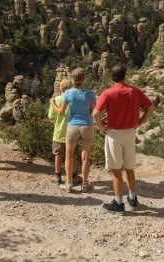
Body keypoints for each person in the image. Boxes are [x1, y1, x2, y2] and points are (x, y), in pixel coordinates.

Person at [92, 64, 155, 213]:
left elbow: (95, 113)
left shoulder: (108, 93)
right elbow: (150, 107)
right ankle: (132, 198)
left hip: (114, 134)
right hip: (130, 133)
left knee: (116, 170)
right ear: (125, 75)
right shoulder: (134, 91)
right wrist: (141, 122)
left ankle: (118, 202)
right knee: (129, 168)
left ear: (111, 77)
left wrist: (101, 127)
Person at [50, 67, 96, 193]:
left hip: (72, 126)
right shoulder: (90, 93)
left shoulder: (69, 93)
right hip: (87, 125)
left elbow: (60, 112)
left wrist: (52, 103)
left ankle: (69, 183)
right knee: (86, 156)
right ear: (84, 79)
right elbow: (94, 111)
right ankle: (85, 184)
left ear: (72, 79)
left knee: (69, 156)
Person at [48, 78, 75, 185]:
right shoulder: (73, 100)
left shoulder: (56, 100)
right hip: (72, 132)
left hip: (59, 132)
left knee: (58, 155)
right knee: (72, 155)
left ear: (60, 88)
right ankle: (73, 175)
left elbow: (51, 117)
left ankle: (57, 176)